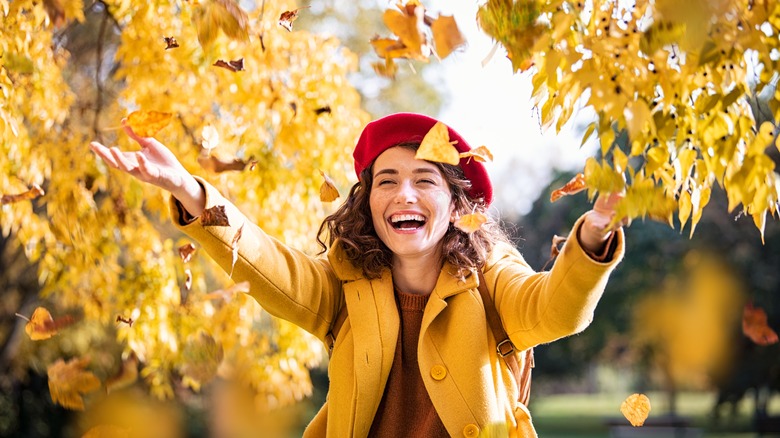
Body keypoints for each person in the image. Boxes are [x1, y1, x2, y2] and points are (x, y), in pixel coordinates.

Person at [90, 112, 624, 437]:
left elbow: (554, 309)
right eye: (386, 181)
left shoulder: (492, 275)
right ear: (367, 202)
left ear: (458, 204)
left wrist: (595, 232)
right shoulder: (342, 283)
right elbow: (269, 265)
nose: (404, 194)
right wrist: (190, 190)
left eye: (424, 180)